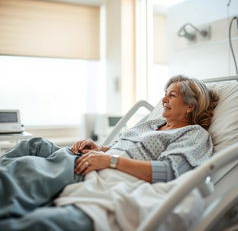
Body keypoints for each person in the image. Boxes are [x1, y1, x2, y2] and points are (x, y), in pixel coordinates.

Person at [0, 75, 218, 231]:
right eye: (165, 94)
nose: (163, 99)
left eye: (172, 95)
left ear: (190, 106)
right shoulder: (153, 124)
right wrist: (100, 149)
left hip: (104, 168)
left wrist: (108, 160)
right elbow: (122, 147)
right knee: (35, 145)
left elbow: (168, 171)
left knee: (25, 171)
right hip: (100, 159)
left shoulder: (194, 134)